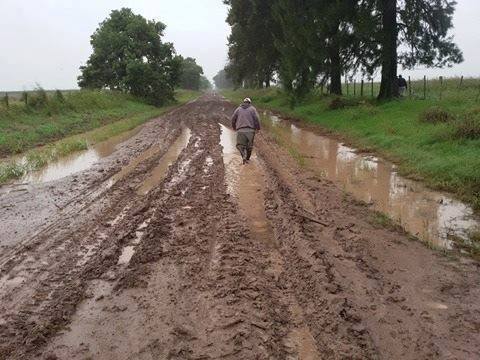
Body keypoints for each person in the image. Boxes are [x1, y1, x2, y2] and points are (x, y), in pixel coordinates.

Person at [231, 97, 260, 164]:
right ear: (250, 103)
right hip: (250, 131)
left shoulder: (238, 109)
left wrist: (234, 127)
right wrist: (258, 128)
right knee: (249, 146)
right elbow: (257, 119)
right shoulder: (253, 109)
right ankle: (247, 159)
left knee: (240, 145)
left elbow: (233, 119)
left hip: (240, 130)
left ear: (243, 102)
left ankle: (243, 156)